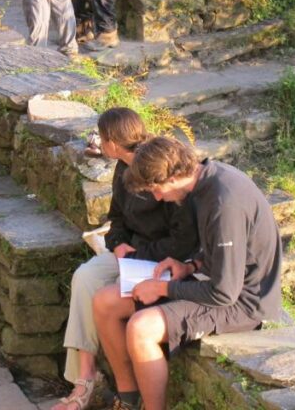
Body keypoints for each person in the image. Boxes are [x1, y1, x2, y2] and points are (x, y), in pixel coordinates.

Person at [92, 137, 283, 410]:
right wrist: (190, 266)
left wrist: (162, 289)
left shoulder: (223, 203)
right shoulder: (206, 181)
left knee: (141, 328)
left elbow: (224, 292)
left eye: (156, 189)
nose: (158, 197)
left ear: (172, 177)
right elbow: (225, 253)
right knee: (105, 302)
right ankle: (128, 400)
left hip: (245, 303)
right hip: (219, 283)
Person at [53, 109, 197, 410]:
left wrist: (137, 256)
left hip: (159, 259)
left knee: (114, 291)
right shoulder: (121, 168)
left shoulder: (159, 169)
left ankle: (129, 392)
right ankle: (85, 378)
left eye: (100, 137)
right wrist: (118, 245)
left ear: (112, 143)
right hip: (129, 253)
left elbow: (182, 241)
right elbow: (116, 218)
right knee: (85, 276)